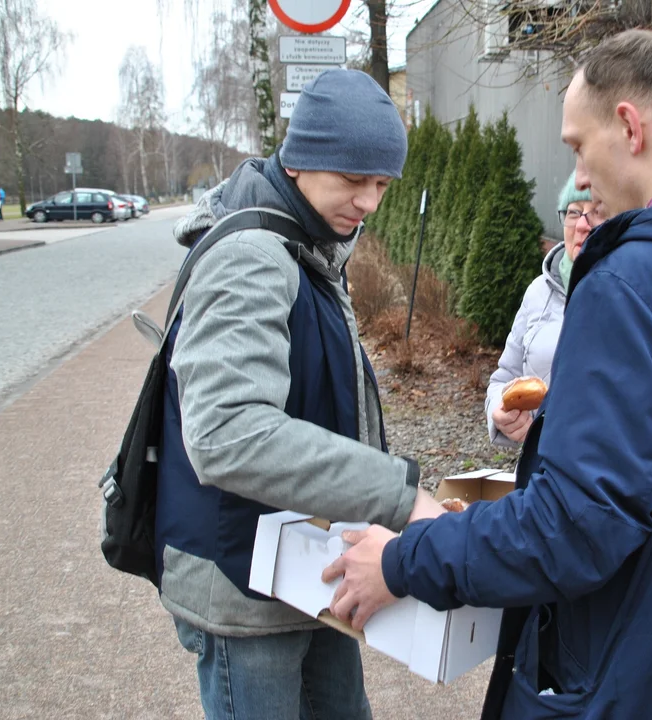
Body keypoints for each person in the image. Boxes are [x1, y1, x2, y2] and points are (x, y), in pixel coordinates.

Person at [323, 29, 652, 720]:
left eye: (578, 145)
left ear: (630, 127)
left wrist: (403, 560)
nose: (577, 176)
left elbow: (575, 529)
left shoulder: (634, 278)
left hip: (647, 684)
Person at [155, 69, 443, 720]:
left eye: (382, 183)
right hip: (241, 586)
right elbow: (228, 436)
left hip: (300, 570)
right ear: (302, 160)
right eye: (353, 180)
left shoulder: (309, 242)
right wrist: (400, 495)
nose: (369, 202)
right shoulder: (253, 253)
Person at [485, 171, 604, 447]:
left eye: (596, 212)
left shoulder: (630, 293)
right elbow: (503, 379)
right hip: (538, 470)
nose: (582, 225)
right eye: (574, 212)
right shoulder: (540, 291)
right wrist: (498, 413)